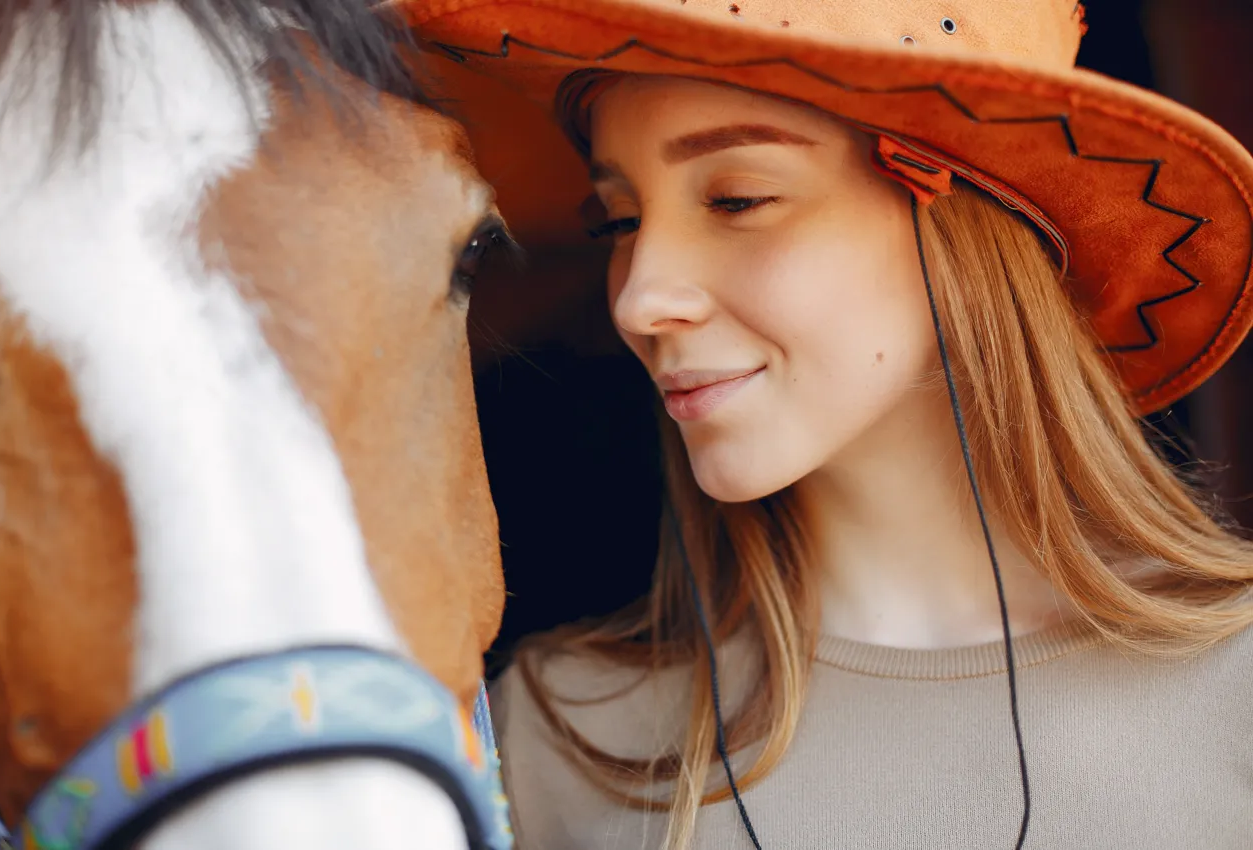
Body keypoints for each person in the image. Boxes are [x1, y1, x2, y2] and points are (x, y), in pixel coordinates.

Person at [402, 0, 1253, 846]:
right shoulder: (565, 741)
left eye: (737, 199)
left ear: (961, 225)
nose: (638, 298)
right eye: (621, 221)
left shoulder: (1234, 690)